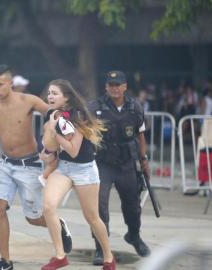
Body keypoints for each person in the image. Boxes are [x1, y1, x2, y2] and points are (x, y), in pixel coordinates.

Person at [0, 65, 72, 270]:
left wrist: (62, 129)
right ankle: (5, 261)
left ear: (11, 84)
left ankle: (58, 225)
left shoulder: (28, 100)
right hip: (5, 164)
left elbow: (55, 114)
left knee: (33, 218)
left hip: (30, 165)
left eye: (0, 84)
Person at [41, 79, 116, 270]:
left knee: (92, 217)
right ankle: (60, 256)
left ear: (66, 97)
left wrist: (55, 132)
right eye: (49, 92)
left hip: (84, 170)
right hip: (64, 168)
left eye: (55, 93)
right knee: (49, 207)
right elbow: (49, 148)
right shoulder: (52, 115)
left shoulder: (79, 115)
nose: (50, 96)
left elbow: (74, 150)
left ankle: (108, 257)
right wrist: (48, 141)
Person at [88, 71, 151, 265]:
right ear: (106, 87)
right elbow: (84, 131)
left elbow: (140, 135)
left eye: (118, 84)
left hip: (126, 164)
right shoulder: (95, 106)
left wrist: (144, 160)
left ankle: (134, 235)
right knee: (99, 206)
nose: (114, 88)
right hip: (102, 163)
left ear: (125, 86)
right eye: (111, 85)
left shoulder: (134, 107)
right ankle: (100, 248)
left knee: (133, 205)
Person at [39, 109, 75, 182]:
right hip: (46, 147)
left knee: (53, 163)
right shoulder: (50, 124)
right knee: (52, 164)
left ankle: (44, 177)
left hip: (48, 145)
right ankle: (44, 177)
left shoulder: (59, 124)